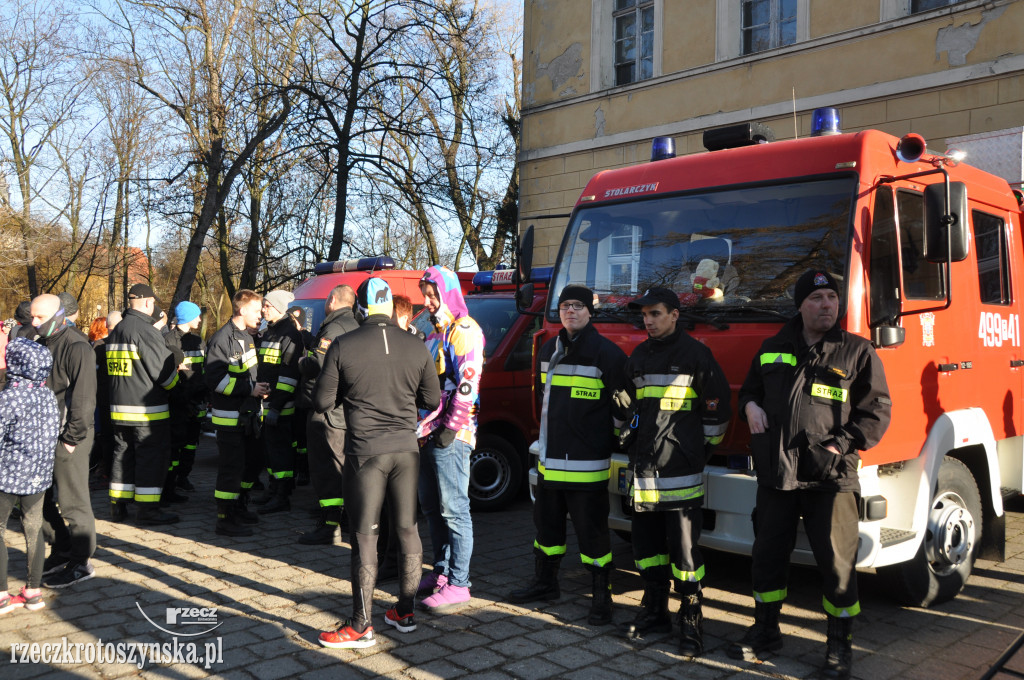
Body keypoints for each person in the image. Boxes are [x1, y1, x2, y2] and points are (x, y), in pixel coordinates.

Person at [729, 270, 891, 679]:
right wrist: (749, 407)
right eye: (817, 297)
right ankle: (766, 631)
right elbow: (749, 391)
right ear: (800, 305)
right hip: (777, 476)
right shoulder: (772, 348)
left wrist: (840, 446)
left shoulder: (856, 351)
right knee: (767, 557)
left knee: (837, 566)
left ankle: (839, 646)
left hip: (830, 479)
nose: (827, 305)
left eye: (832, 298)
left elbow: (877, 411)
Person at [314, 278, 440, 649]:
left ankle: (361, 625)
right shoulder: (415, 344)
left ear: (361, 307)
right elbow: (432, 399)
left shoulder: (343, 344)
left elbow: (322, 401)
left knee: (365, 536)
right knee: (407, 530)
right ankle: (405, 611)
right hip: (406, 449)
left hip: (366, 451)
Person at [619, 287, 731, 658]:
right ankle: (654, 610)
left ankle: (691, 619)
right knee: (646, 549)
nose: (648, 321)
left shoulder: (696, 356)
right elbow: (631, 409)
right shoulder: (638, 356)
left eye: (655, 314)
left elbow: (716, 412)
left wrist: (696, 452)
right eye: (644, 315)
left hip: (679, 472)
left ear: (674, 315)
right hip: (643, 473)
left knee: (684, 554)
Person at [506, 285, 627, 626]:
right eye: (564, 306)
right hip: (550, 462)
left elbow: (625, 411)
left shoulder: (607, 355)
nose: (570, 311)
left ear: (591, 311)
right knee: (546, 530)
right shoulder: (548, 350)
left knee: (593, 536)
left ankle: (602, 597)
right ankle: (546, 583)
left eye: (577, 305)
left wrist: (606, 440)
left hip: (587, 467)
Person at [416, 265, 484, 612]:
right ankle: (441, 573)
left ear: (448, 293)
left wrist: (450, 428)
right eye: (425, 295)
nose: (427, 302)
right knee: (431, 507)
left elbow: (468, 385)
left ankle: (459, 582)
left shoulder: (465, 330)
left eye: (432, 295)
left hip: (452, 434)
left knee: (454, 509)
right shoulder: (433, 332)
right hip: (428, 432)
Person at [28, 294, 98, 588]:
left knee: (72, 502)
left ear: (58, 315)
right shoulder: (42, 343)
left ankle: (81, 562)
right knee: (36, 499)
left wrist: (71, 437)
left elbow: (83, 399)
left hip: (69, 436)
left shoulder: (77, 346)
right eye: (32, 317)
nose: (33, 323)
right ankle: (62, 548)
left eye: (39, 317)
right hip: (42, 434)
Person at [104, 284, 181, 525]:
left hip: (119, 407)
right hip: (147, 411)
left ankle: (118, 506)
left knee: (122, 454)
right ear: (149, 303)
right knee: (150, 457)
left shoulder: (118, 329)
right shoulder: (145, 331)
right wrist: (176, 381)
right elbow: (164, 375)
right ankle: (148, 512)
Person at [0, 338, 59, 615]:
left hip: (7, 475)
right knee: (33, 529)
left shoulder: (10, 396)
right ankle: (33, 592)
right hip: (39, 474)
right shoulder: (46, 394)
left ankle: (1, 596)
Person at [295, 285, 358, 545]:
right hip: (345, 410)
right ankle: (342, 519)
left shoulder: (332, 329)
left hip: (327, 412)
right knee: (342, 467)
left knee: (326, 470)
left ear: (332, 300)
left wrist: (302, 362)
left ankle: (329, 526)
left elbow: (319, 363)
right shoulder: (354, 326)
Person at [205, 290, 269, 537]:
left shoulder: (246, 337)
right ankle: (225, 518)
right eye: (256, 310)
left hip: (247, 416)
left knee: (249, 464)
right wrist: (250, 389)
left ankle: (238, 507)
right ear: (242, 310)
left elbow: (248, 373)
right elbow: (215, 381)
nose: (261, 314)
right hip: (229, 417)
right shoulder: (222, 339)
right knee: (230, 469)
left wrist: (259, 388)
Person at [254, 290, 302, 514]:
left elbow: (288, 375)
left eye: (267, 306)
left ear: (280, 308)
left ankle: (282, 496)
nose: (263, 310)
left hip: (280, 406)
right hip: (267, 404)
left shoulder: (289, 333)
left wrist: (276, 406)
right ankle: (273, 490)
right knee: (270, 452)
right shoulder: (271, 332)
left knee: (281, 453)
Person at [164, 301, 207, 495]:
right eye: (196, 316)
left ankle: (184, 476)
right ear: (188, 317)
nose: (199, 319)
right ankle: (169, 484)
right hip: (177, 402)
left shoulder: (199, 341)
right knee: (175, 445)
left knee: (191, 443)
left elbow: (203, 371)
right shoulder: (168, 340)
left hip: (196, 401)